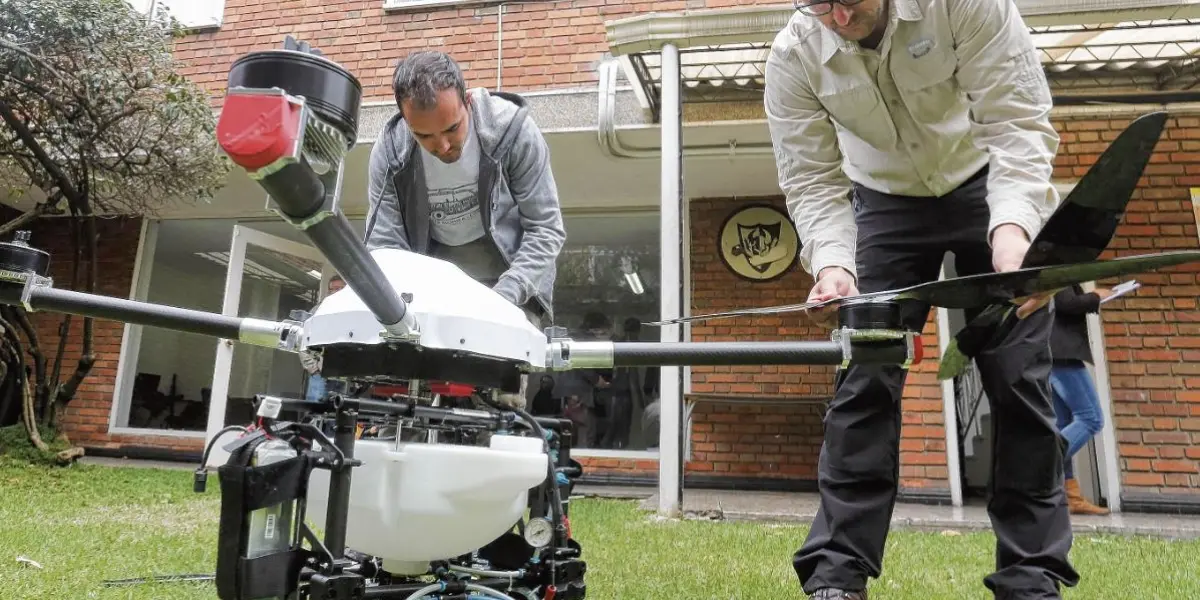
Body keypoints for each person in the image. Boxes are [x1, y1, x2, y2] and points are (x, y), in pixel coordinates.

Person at [763, 0, 1079, 598]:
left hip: (986, 182)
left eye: (849, 0)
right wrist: (834, 264)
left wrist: (1015, 231)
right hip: (882, 203)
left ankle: (1031, 578)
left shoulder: (964, 6)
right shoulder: (793, 56)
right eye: (818, 4)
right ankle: (836, 574)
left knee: (1019, 379)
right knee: (864, 381)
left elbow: (1016, 119)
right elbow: (810, 178)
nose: (836, 18)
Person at [363, 50, 566, 410]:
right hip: (435, 278)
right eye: (424, 135)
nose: (441, 146)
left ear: (467, 100)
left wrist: (499, 302)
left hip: (510, 277)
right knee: (416, 403)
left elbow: (545, 228)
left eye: (451, 128)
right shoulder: (392, 151)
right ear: (406, 122)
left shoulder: (512, 132)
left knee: (499, 405)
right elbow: (384, 246)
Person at [1049, 285, 1112, 516]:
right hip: (1062, 355)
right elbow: (1066, 303)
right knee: (1091, 418)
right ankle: (1039, 466)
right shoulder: (1057, 267)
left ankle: (1070, 496)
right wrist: (1096, 296)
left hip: (1054, 354)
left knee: (1063, 426)